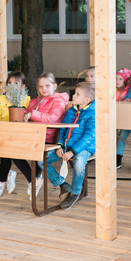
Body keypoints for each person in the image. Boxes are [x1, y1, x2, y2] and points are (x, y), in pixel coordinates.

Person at [42, 82, 95, 210]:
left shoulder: (93, 113)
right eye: (74, 93)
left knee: (78, 163)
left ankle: (74, 192)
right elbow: (62, 129)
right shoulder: (71, 110)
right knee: (41, 159)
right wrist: (59, 145)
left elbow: (89, 136)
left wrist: (73, 151)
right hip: (65, 145)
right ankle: (62, 184)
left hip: (83, 147)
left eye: (77, 94)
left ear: (87, 100)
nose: (74, 96)